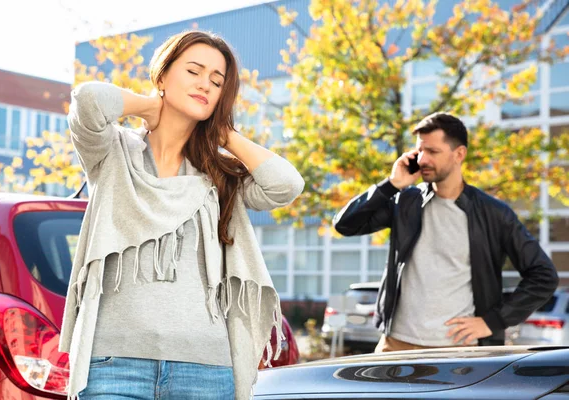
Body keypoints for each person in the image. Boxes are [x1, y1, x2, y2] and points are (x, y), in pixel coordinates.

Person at [58, 30, 305, 399]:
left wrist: (226, 135)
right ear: (163, 75)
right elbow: (88, 100)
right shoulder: (113, 153)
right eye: (193, 70)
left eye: (217, 81)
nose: (205, 84)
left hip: (205, 369)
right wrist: (148, 106)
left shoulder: (220, 175)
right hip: (115, 365)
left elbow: (286, 184)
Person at [333, 112, 558, 353]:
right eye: (419, 151)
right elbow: (345, 225)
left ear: (459, 154)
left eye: (432, 152)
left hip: (458, 352)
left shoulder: (493, 213)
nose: (422, 159)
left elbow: (544, 276)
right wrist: (391, 184)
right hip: (395, 345)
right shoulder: (405, 201)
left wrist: (492, 322)